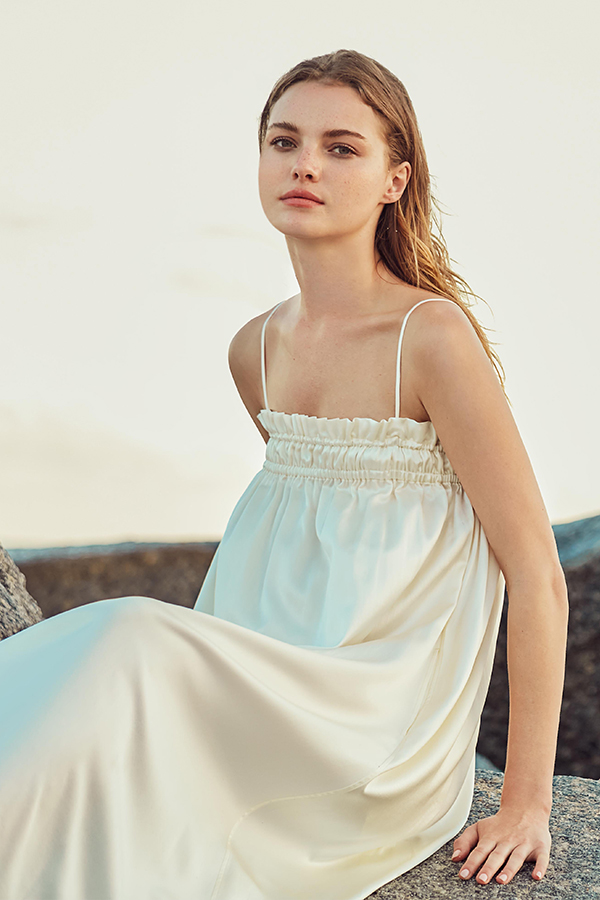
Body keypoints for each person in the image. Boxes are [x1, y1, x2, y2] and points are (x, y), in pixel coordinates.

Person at [0, 49, 569, 899]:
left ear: (395, 180)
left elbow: (538, 572)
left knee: (126, 637)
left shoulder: (430, 338)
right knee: (79, 701)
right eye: (284, 141)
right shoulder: (255, 350)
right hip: (253, 687)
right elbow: (299, 544)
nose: (305, 164)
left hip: (369, 723)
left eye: (341, 148)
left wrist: (526, 803)